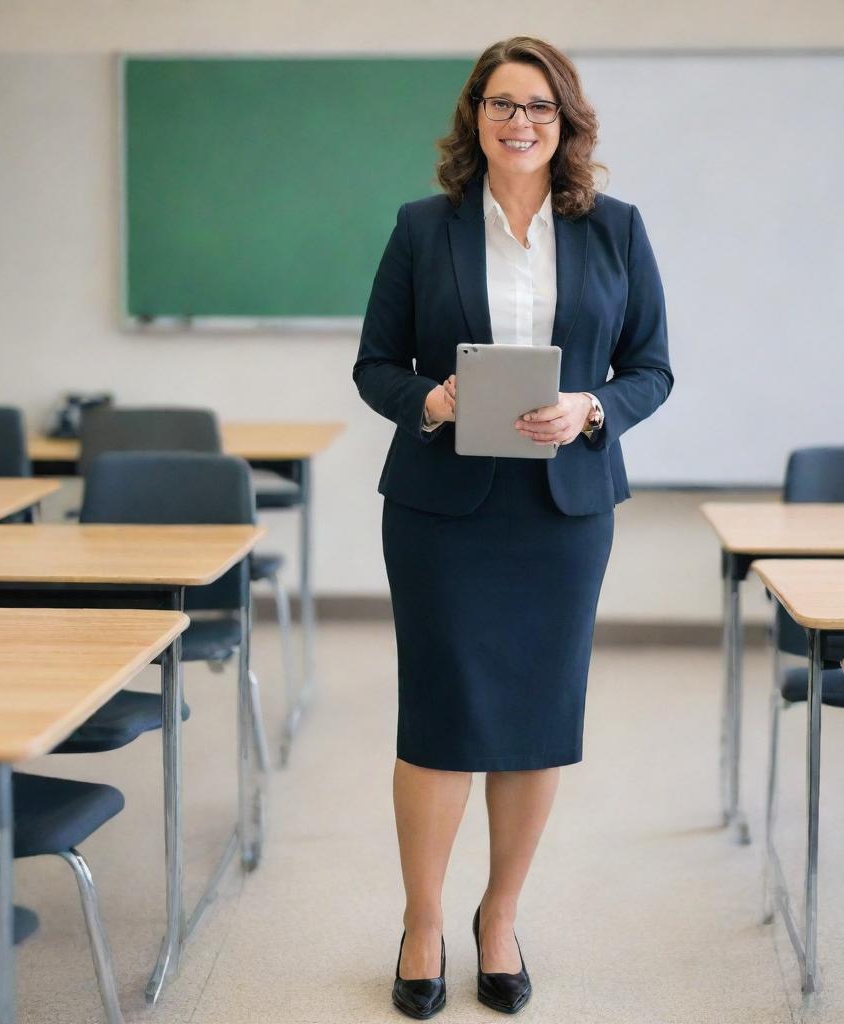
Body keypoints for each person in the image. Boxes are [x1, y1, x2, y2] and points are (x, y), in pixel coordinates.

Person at [352, 35, 673, 1019]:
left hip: (560, 515)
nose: (519, 121)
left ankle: (499, 916)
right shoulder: (423, 227)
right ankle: (421, 923)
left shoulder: (616, 229)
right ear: (475, 117)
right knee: (442, 719)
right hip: (442, 513)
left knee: (535, 726)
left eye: (538, 105)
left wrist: (591, 413)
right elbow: (374, 367)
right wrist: (434, 400)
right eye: (501, 104)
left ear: (564, 120)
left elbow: (651, 369)